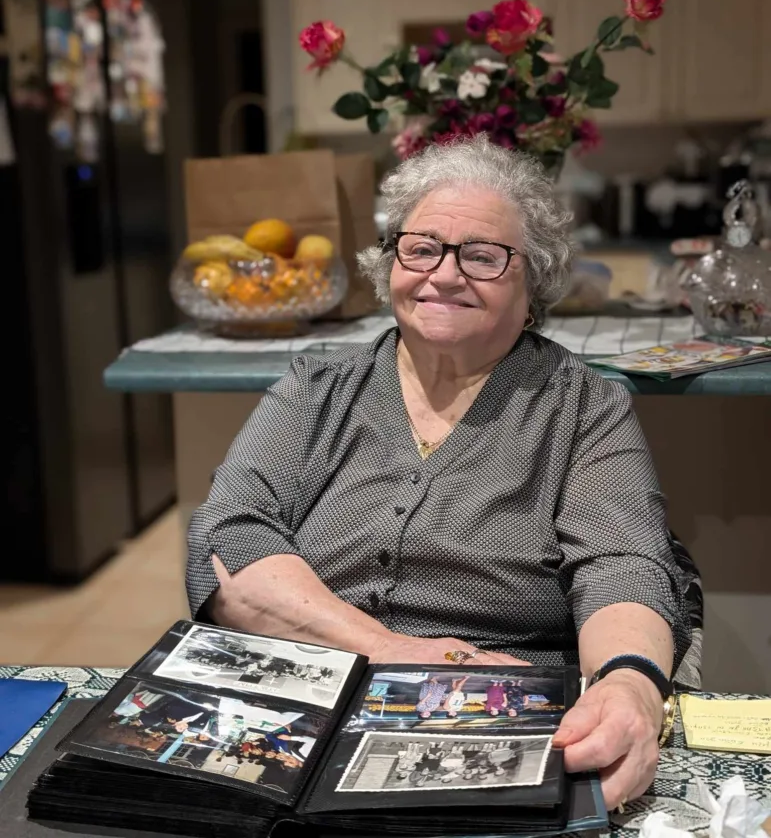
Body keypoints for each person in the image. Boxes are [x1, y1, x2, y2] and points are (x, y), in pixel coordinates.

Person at [187, 135, 692, 809]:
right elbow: (229, 535)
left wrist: (627, 686)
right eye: (421, 248)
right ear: (391, 261)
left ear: (532, 282)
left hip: (499, 718)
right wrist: (391, 650)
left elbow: (622, 565)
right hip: (297, 709)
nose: (443, 275)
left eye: (482, 256)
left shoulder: (581, 406)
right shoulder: (318, 385)